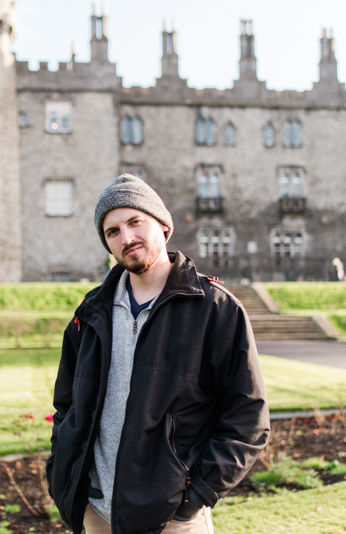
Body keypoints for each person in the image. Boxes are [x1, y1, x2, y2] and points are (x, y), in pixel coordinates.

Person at [46, 174, 270, 534]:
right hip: (96, 513)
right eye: (112, 231)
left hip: (172, 520)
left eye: (135, 222)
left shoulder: (216, 310)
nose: (126, 238)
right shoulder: (90, 313)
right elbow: (66, 406)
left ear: (163, 226)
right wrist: (62, 474)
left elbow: (247, 419)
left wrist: (193, 498)